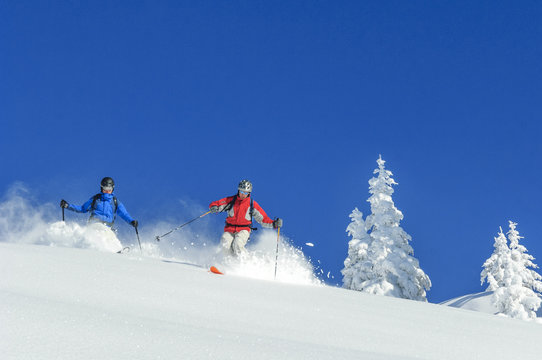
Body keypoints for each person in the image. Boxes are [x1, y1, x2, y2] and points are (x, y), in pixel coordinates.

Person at [209, 179, 282, 256]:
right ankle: (229, 262)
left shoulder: (252, 204)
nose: (243, 194)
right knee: (225, 243)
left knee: (237, 244)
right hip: (229, 229)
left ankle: (246, 262)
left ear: (249, 193)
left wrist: (274, 223)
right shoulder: (231, 200)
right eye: (241, 191)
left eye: (245, 192)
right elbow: (217, 203)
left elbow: (263, 219)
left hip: (244, 229)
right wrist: (214, 207)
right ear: (238, 191)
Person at [60, 177, 138, 229]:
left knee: (109, 236)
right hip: (95, 225)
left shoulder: (115, 202)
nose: (107, 191)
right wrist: (67, 206)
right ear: (101, 188)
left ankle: (113, 250)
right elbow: (82, 209)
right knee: (98, 232)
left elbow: (124, 214)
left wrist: (131, 221)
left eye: (109, 189)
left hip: (108, 227)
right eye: (105, 188)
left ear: (112, 189)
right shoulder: (96, 199)